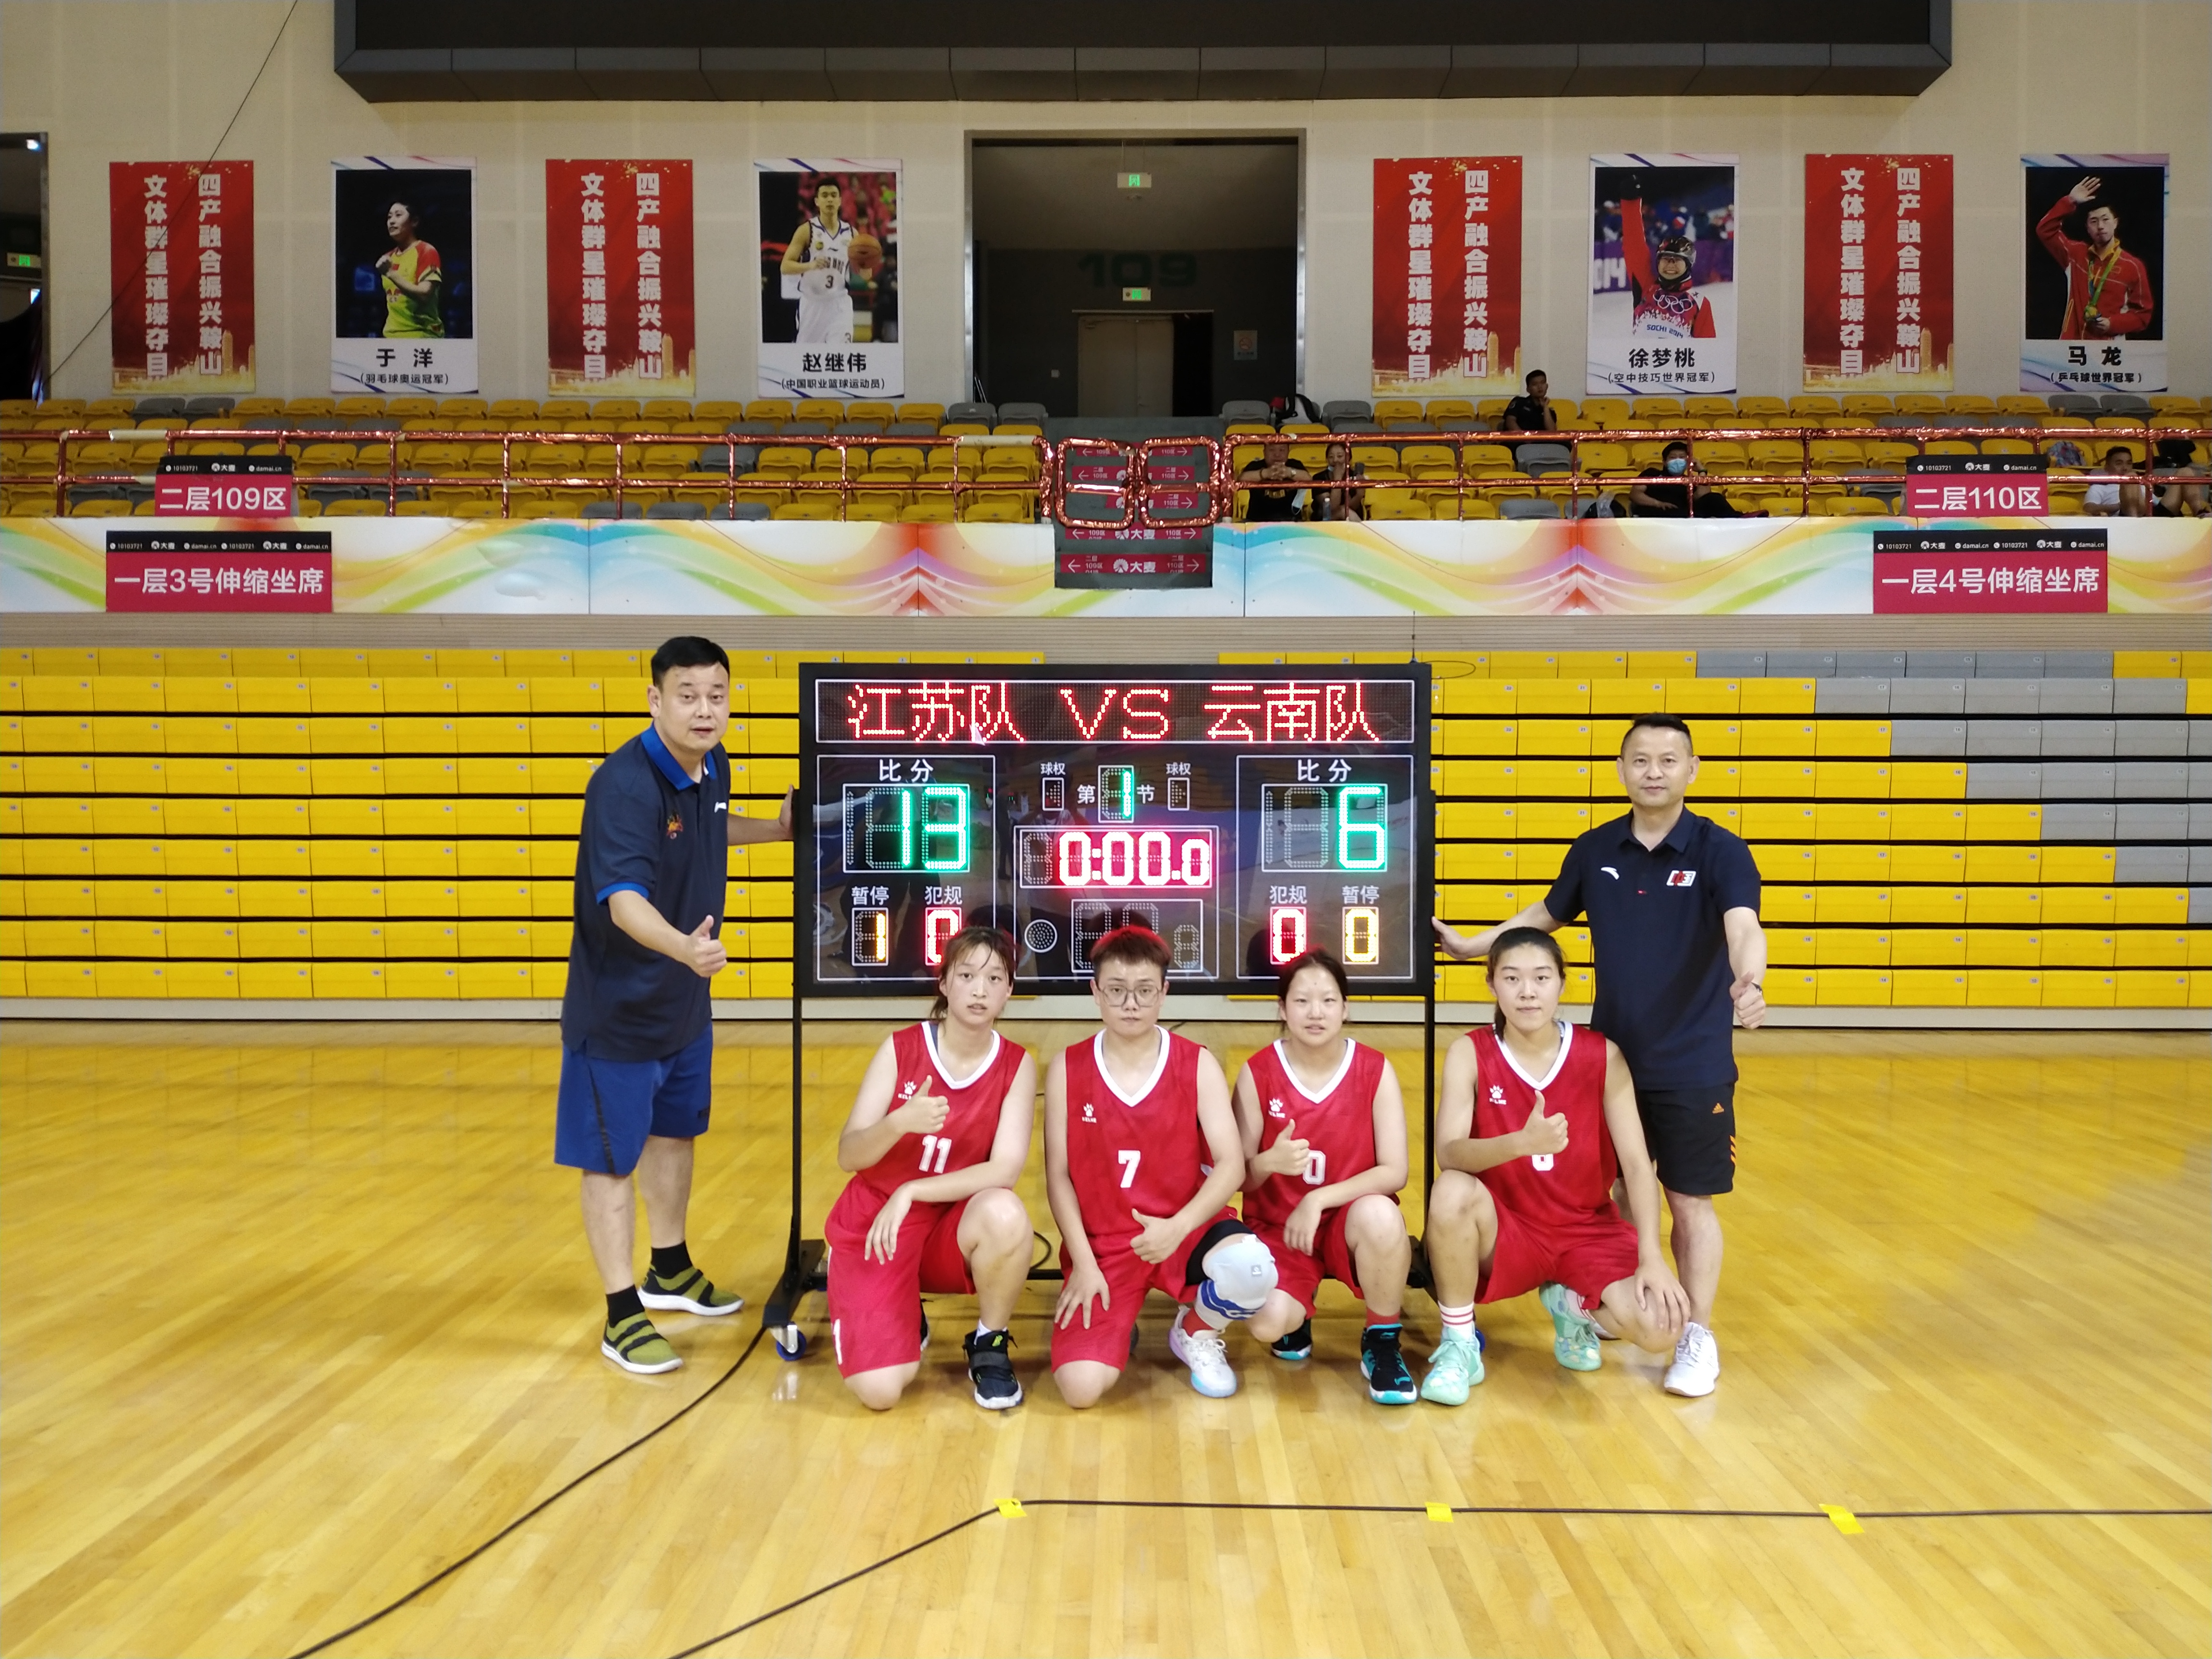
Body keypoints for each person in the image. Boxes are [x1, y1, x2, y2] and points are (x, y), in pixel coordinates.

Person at [1433, 712, 1765, 1398]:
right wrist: (1473, 947)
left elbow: (1744, 926)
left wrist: (1750, 980)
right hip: (1613, 1057)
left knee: (1689, 1201)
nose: (1654, 771)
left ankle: (1697, 1335)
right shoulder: (1595, 849)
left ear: (1692, 770)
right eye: (1640, 760)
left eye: (1668, 760)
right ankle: (1593, 1293)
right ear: (1621, 770)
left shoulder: (1721, 851)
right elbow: (1544, 917)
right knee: (1614, 1192)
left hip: (1692, 1064)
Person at [557, 636, 793, 1375]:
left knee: (674, 1135)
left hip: (683, 1006)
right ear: (655, 700)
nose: (704, 710)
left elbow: (713, 828)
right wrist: (684, 950)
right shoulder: (624, 787)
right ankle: (621, 1312)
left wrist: (776, 830)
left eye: (717, 695)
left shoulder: (713, 763)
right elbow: (623, 902)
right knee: (609, 1160)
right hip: (619, 1013)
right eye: (687, 695)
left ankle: (669, 1268)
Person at [1421, 930, 1691, 1400]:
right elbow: (1450, 1153)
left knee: (1662, 1326)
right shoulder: (1470, 1052)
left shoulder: (1602, 1054)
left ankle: (1571, 1305)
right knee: (1451, 1191)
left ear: (1562, 984)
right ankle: (1459, 1343)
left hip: (1584, 1228)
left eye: (1541, 978)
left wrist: (1652, 1256)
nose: (1527, 992)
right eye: (1512, 978)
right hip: (1507, 1229)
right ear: (1492, 984)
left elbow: (1636, 1165)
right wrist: (1520, 1144)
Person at [1044, 926, 1276, 1405]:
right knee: (1080, 1389)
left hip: (1186, 1229)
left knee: (1254, 1271)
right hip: (1108, 1244)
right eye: (1117, 990)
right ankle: (1117, 1321)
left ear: (1164, 992)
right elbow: (1059, 1176)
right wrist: (1083, 1264)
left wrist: (1179, 1226)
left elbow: (1231, 1166)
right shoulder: (1068, 1067)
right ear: (1095, 992)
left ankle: (1196, 1330)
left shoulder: (1197, 1063)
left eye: (1145, 991)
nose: (1131, 1004)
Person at [824, 926, 1036, 1411]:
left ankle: (989, 1342)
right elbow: (848, 1155)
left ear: (1009, 991)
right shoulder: (901, 1048)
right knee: (880, 1391)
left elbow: (1004, 1170)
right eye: (967, 975)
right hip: (880, 1223)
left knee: (1005, 1213)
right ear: (944, 983)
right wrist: (897, 1123)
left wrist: (913, 1190)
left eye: (994, 978)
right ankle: (893, 1305)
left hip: (946, 1223)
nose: (980, 990)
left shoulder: (1017, 1064)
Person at [1235, 951, 1417, 1406]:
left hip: (1347, 1224)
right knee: (1267, 1323)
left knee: (1382, 1216)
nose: (1316, 1012)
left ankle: (1382, 1341)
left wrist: (1318, 1200)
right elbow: (1238, 1178)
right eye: (1302, 1001)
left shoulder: (1375, 1069)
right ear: (1282, 1009)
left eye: (1328, 1001)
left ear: (1346, 1008)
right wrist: (1267, 1162)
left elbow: (1395, 1171)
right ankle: (1297, 1311)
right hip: (1280, 1230)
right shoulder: (1257, 1072)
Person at [2035, 177, 2155, 340]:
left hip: (2107, 348)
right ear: (2087, 228)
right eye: (2094, 221)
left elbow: (2143, 316)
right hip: (2071, 346)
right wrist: (2070, 201)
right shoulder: (2076, 254)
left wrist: (2112, 324)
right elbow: (2045, 230)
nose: (2100, 226)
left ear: (2115, 223)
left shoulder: (2133, 266)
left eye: (2106, 219)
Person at [1619, 193, 1715, 341]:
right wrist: (1630, 202)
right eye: (1665, 259)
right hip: (1643, 355)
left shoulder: (1700, 303)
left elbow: (1708, 349)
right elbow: (1634, 246)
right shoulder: (1647, 289)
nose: (1670, 265)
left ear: (1688, 264)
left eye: (1677, 260)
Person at [781, 177, 855, 346]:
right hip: (812, 305)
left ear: (840, 201)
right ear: (817, 201)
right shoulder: (806, 230)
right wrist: (810, 265)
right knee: (807, 358)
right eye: (825, 195)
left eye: (834, 195)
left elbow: (866, 274)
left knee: (840, 356)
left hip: (840, 304)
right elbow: (785, 267)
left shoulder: (852, 233)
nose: (830, 199)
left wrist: (867, 264)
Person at [1629, 441, 1754, 518]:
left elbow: (1704, 496)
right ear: (1665, 462)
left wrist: (1702, 471)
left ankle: (1741, 519)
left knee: (1715, 498)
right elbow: (1635, 494)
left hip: (1684, 514)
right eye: (1673, 458)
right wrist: (1659, 504)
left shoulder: (1689, 481)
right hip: (1657, 512)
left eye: (1682, 457)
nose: (1678, 461)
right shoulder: (1652, 473)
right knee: (1667, 511)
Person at [374, 201, 444, 339]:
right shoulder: (388, 258)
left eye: (398, 215)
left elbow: (424, 294)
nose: (392, 221)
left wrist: (391, 273)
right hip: (391, 337)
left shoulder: (426, 251)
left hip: (422, 336)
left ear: (414, 222)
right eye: (389, 217)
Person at [1237, 435, 1310, 523]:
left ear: (1288, 452)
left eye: (1282, 450)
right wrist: (1265, 473)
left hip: (1291, 521)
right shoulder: (1255, 466)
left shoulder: (1295, 464)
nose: (1277, 454)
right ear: (1264, 452)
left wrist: (1289, 472)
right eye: (1272, 450)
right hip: (1256, 521)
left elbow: (1308, 479)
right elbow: (1241, 480)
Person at [1305, 440, 1366, 522]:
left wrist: (1359, 495)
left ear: (1349, 458)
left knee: (1345, 511)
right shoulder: (1319, 478)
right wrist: (1338, 479)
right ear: (1327, 460)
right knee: (1343, 511)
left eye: (1340, 456)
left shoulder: (1354, 476)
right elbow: (1331, 508)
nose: (1335, 460)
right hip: (1325, 520)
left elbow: (1352, 508)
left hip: (1350, 519)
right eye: (1331, 457)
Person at [2083, 445, 2149, 517]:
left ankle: (2135, 518)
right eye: (2119, 464)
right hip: (2121, 517)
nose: (2125, 468)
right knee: (2131, 477)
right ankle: (2134, 518)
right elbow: (2089, 508)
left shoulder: (2140, 485)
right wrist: (2119, 506)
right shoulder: (2098, 488)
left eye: (2129, 464)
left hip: (2146, 514)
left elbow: (2155, 502)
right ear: (2107, 467)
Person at [1500, 370, 1558, 434]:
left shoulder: (1550, 412)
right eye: (1535, 384)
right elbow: (1510, 422)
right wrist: (1524, 437)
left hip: (1541, 440)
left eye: (1543, 383)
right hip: (1520, 438)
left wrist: (1545, 407)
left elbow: (1552, 432)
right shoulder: (1519, 402)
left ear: (1547, 387)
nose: (1540, 387)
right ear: (1528, 389)